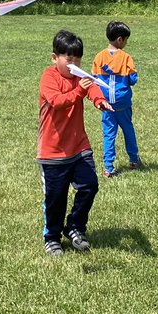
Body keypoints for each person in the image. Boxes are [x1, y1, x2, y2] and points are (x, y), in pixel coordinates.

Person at [37, 29, 113, 257]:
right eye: (68, 59)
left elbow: (93, 89)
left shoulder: (80, 77)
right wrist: (81, 90)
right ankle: (52, 237)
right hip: (52, 152)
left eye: (77, 58)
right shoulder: (49, 77)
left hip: (79, 147)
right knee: (55, 199)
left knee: (90, 185)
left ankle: (75, 227)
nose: (73, 63)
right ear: (55, 58)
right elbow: (58, 102)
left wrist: (99, 101)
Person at [92, 20, 143, 177]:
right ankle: (134, 160)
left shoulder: (99, 57)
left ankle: (108, 167)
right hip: (123, 104)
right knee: (128, 130)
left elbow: (93, 79)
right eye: (126, 39)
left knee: (109, 134)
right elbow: (133, 80)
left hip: (106, 104)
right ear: (120, 39)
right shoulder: (126, 58)